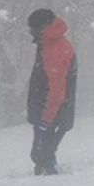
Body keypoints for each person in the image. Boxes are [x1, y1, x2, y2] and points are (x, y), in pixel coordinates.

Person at [26, 9, 78, 175]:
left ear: (43, 27)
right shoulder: (48, 44)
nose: (30, 33)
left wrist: (46, 120)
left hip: (53, 113)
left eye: (32, 29)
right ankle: (49, 181)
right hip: (51, 112)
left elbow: (56, 91)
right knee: (42, 155)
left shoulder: (56, 49)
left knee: (42, 155)